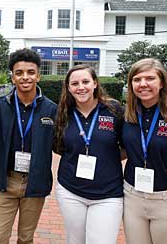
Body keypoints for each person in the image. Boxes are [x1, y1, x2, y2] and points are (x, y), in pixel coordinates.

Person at [123, 58, 167, 244]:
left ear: (162, 82)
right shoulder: (127, 116)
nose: (143, 84)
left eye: (150, 78)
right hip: (132, 198)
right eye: (137, 79)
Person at [0, 48, 57, 244]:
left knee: (26, 238)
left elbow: (62, 144)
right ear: (12, 78)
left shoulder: (51, 109)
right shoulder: (0, 105)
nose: (25, 77)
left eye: (30, 72)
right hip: (6, 181)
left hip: (34, 183)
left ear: (38, 76)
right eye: (19, 73)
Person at [53, 64, 124, 244]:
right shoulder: (63, 113)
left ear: (95, 83)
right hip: (70, 191)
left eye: (85, 81)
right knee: (75, 240)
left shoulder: (114, 109)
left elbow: (128, 145)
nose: (81, 87)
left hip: (108, 194)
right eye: (74, 83)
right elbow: (58, 146)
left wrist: (106, 158)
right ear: (68, 88)